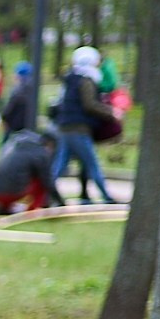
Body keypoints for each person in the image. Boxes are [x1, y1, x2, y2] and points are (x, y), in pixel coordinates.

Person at [50, 46, 115, 203]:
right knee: (92, 163)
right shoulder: (86, 80)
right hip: (78, 128)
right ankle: (106, 196)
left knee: (60, 164)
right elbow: (89, 104)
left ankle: (47, 193)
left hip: (65, 126)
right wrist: (110, 112)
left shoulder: (70, 78)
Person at [0, 128, 56, 215]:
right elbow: (48, 182)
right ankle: (32, 211)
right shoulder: (40, 153)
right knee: (40, 181)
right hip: (13, 194)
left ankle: (4, 208)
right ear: (49, 144)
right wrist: (61, 203)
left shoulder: (15, 147)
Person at [0, 60, 39, 136]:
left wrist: (4, 118)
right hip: (27, 126)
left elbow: (9, 108)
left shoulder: (17, 90)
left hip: (13, 127)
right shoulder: (33, 89)